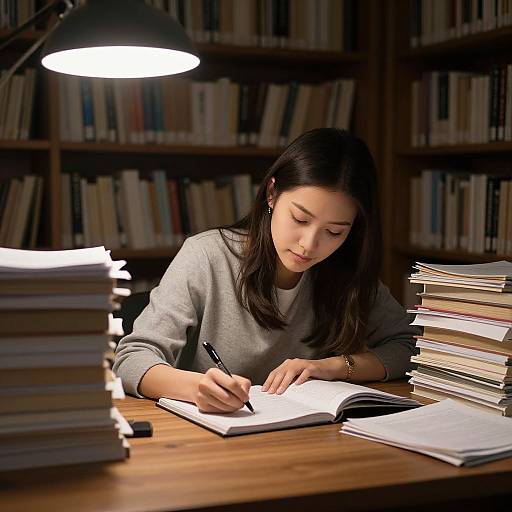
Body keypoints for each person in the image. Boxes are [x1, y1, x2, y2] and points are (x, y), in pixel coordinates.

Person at [113, 128, 419, 413]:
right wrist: (196, 387)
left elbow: (412, 348)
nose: (309, 245)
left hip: (304, 440)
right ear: (271, 193)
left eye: (335, 232)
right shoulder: (207, 256)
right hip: (211, 437)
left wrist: (334, 367)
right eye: (300, 219)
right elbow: (131, 358)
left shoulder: (346, 270)